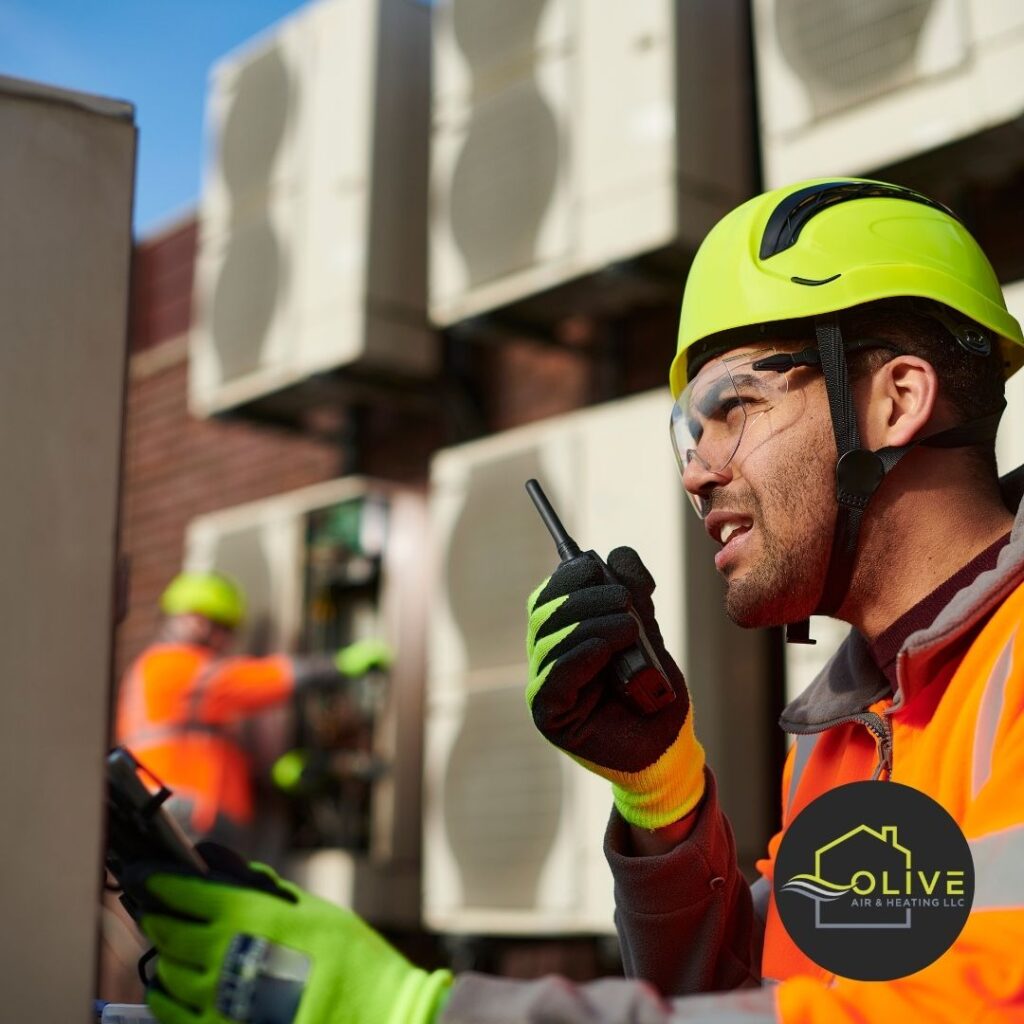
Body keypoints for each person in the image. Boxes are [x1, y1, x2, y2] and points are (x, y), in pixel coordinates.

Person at [132, 179, 1024, 1023]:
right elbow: (747, 995)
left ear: (896, 399)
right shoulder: (849, 727)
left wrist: (426, 1014)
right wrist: (662, 794)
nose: (695, 470)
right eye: (689, 429)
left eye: (733, 405)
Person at [116, 570, 392, 848]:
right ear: (196, 622)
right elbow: (260, 680)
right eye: (223, 627)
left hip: (179, 812)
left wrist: (272, 775)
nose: (227, 640)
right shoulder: (172, 666)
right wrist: (338, 666)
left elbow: (208, 752)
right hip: (188, 815)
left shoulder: (156, 672)